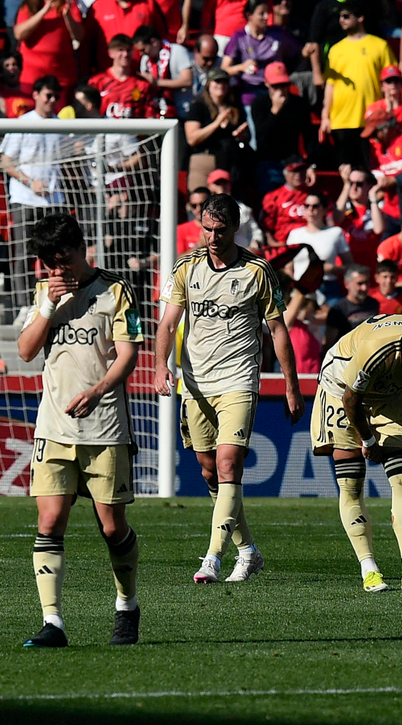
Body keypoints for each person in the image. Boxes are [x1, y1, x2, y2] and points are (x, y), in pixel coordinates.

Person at [154, 193, 303, 584]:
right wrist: (159, 367)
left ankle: (212, 559)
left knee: (227, 465)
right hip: (196, 384)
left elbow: (277, 331)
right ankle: (248, 551)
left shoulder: (258, 271)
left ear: (235, 229)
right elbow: (168, 323)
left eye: (220, 231)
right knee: (208, 472)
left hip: (238, 380)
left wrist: (292, 386)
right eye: (207, 229)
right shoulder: (186, 267)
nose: (213, 237)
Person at [17, 213, 145, 648]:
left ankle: (127, 606)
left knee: (112, 528)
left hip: (106, 427)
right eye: (49, 265)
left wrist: (99, 389)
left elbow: (128, 354)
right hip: (53, 427)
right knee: (50, 521)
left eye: (63, 261)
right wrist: (48, 308)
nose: (57, 272)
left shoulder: (115, 290)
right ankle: (53, 623)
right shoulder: (43, 294)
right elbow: (25, 350)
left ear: (81, 248)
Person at [311, 311, 402, 593]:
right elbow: (351, 399)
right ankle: (369, 570)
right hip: (341, 385)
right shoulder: (374, 351)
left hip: (391, 394)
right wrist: (367, 441)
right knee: (351, 482)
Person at [0, 76, 67, 291]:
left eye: (56, 96)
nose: (52, 100)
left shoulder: (61, 127)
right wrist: (30, 182)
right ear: (36, 95)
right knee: (23, 253)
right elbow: (5, 161)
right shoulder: (23, 123)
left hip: (53, 201)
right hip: (25, 199)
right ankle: (22, 305)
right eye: (48, 95)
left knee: (57, 254)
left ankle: (55, 299)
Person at [319, 0, 394, 168]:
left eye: (346, 16)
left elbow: (390, 81)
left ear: (360, 18)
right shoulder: (335, 50)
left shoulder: (380, 46)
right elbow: (330, 85)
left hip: (372, 119)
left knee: (373, 170)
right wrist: (325, 116)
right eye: (340, 17)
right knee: (346, 171)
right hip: (342, 119)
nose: (341, 20)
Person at [220, 0, 299, 107]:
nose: (266, 17)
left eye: (267, 12)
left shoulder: (278, 34)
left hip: (275, 90)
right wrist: (241, 67)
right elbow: (224, 69)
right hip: (250, 91)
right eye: (261, 14)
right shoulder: (239, 37)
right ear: (249, 16)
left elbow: (298, 52)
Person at [251, 62, 314, 193]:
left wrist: (311, 165)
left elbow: (309, 136)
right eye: (275, 86)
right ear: (267, 84)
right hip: (269, 160)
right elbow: (261, 137)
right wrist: (274, 111)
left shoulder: (299, 103)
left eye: (284, 85)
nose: (280, 90)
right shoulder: (259, 103)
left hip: (292, 160)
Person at [287, 190, 351, 298]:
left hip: (328, 287)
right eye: (307, 206)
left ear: (325, 210)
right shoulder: (295, 235)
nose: (310, 210)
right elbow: (288, 268)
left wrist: (333, 269)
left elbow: (350, 266)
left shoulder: (335, 232)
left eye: (315, 206)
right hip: (302, 289)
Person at [184, 68, 248, 175]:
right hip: (206, 159)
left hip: (230, 161)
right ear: (209, 84)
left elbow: (245, 136)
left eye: (225, 82)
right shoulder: (198, 106)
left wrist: (241, 136)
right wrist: (216, 123)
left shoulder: (234, 107)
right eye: (217, 81)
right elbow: (192, 139)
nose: (221, 85)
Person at [14, 0, 83, 96]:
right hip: (32, 77)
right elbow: (19, 34)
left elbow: (79, 36)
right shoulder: (29, 5)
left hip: (61, 77)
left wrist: (68, 17)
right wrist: (44, 10)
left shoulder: (69, 3)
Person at [88, 35, 155, 119]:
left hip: (133, 130)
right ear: (111, 53)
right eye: (121, 50)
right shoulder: (97, 82)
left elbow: (150, 115)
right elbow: (89, 113)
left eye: (128, 50)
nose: (125, 54)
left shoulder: (142, 84)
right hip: (105, 130)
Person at [261, 156, 312, 244]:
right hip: (284, 244)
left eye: (301, 170)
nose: (298, 175)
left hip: (310, 240)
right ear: (285, 174)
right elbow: (266, 227)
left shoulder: (315, 195)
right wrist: (273, 243)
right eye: (294, 171)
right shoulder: (273, 197)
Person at [206, 169, 262, 248]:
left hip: (242, 254)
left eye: (225, 183)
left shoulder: (243, 208)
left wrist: (255, 245)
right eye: (218, 183)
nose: (222, 186)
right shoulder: (202, 209)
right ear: (209, 186)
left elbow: (256, 232)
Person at [325, 264, 379, 344]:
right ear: (347, 284)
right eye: (360, 284)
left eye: (366, 283)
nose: (364, 288)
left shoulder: (373, 304)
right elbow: (329, 343)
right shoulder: (338, 311)